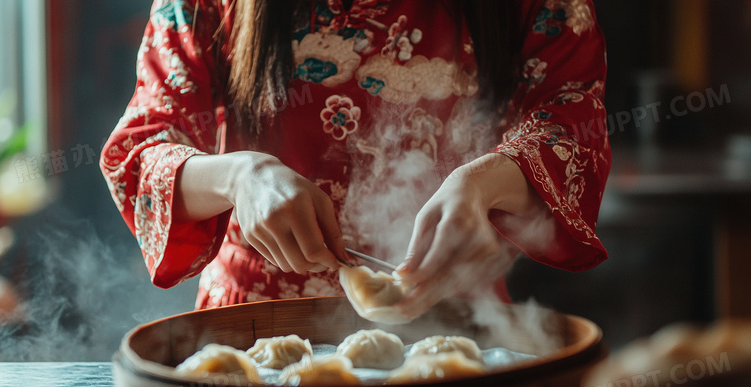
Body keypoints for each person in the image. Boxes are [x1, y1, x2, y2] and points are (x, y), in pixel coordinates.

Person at [100, 0, 610, 319]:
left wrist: (483, 184)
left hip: (450, 318)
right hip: (256, 327)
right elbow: (141, 153)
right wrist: (239, 175)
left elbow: (574, 120)